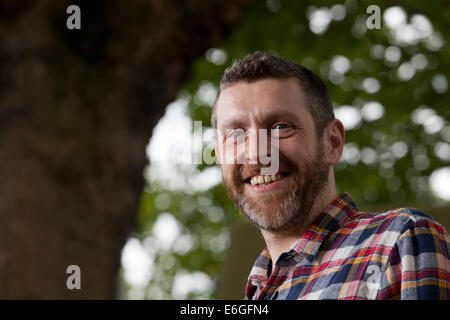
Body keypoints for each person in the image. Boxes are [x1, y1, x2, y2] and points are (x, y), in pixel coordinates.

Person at [212, 51, 450, 300]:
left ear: (332, 142)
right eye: (236, 134)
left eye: (281, 127)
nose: (257, 154)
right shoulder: (254, 288)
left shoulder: (399, 243)